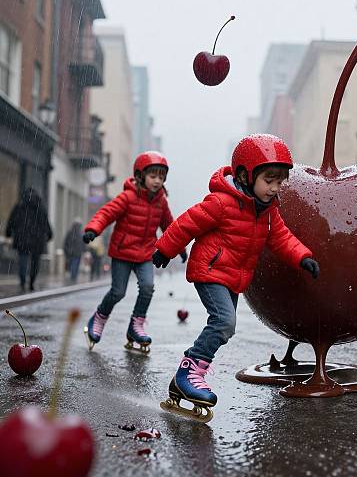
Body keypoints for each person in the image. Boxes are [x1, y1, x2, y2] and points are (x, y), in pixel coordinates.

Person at [153, 134, 320, 420]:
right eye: (269, 180)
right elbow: (187, 223)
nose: (274, 188)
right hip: (210, 271)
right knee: (224, 322)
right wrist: (165, 249)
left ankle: (188, 377)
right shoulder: (221, 202)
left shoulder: (267, 212)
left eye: (279, 181)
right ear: (245, 174)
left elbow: (281, 239)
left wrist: (303, 256)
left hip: (233, 277)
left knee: (225, 326)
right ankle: (188, 373)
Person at [82, 151, 185, 353]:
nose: (157, 181)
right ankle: (99, 318)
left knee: (147, 287)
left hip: (145, 253)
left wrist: (179, 248)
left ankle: (136, 325)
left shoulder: (161, 202)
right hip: (122, 253)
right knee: (118, 292)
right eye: (153, 176)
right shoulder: (128, 196)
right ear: (140, 176)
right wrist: (93, 229)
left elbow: (170, 227)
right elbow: (107, 212)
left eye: (161, 177)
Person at [6, 188, 52, 292]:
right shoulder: (41, 208)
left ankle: (22, 281)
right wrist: (49, 235)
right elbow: (46, 223)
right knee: (35, 262)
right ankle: (32, 281)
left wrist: (8, 232)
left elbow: (12, 220)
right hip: (37, 239)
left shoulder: (20, 206)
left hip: (22, 238)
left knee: (23, 260)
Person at [64, 218, 85, 283]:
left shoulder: (71, 232)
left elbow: (65, 242)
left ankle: (73, 276)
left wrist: (66, 250)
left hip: (72, 252)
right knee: (75, 264)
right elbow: (83, 243)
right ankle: (73, 276)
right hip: (76, 252)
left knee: (73, 264)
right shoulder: (80, 233)